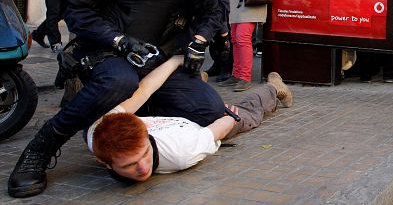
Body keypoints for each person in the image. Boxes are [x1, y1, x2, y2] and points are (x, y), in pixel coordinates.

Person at [7, 0, 222, 198]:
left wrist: (200, 38)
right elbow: (76, 10)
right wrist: (119, 40)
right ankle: (42, 146)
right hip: (109, 51)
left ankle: (123, 126)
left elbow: (213, 12)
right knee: (120, 83)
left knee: (209, 110)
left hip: (156, 57)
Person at [88, 56, 292, 181]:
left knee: (240, 113)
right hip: (205, 128)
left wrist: (175, 61)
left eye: (144, 153)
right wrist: (227, 119)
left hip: (176, 116)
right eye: (129, 165)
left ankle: (272, 88)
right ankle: (273, 88)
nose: (143, 168)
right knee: (244, 114)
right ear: (105, 162)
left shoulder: (102, 126)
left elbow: (145, 89)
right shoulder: (182, 154)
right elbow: (220, 127)